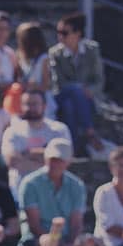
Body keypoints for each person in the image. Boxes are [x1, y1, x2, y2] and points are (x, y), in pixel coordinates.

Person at [48, 13, 105, 149]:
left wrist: (89, 91)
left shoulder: (92, 49)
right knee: (74, 91)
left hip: (86, 98)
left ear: (77, 33)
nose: (60, 36)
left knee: (70, 106)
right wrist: (79, 89)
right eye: (58, 32)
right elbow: (59, 83)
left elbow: (99, 79)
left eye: (64, 32)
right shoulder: (55, 53)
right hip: (63, 94)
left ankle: (73, 147)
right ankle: (90, 131)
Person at [0, 90, 71, 193]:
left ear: (44, 106)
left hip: (53, 191)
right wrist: (48, 155)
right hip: (20, 190)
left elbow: (64, 159)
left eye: (34, 104)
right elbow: (12, 161)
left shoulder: (59, 130)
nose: (30, 108)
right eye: (26, 104)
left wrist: (27, 153)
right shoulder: (12, 132)